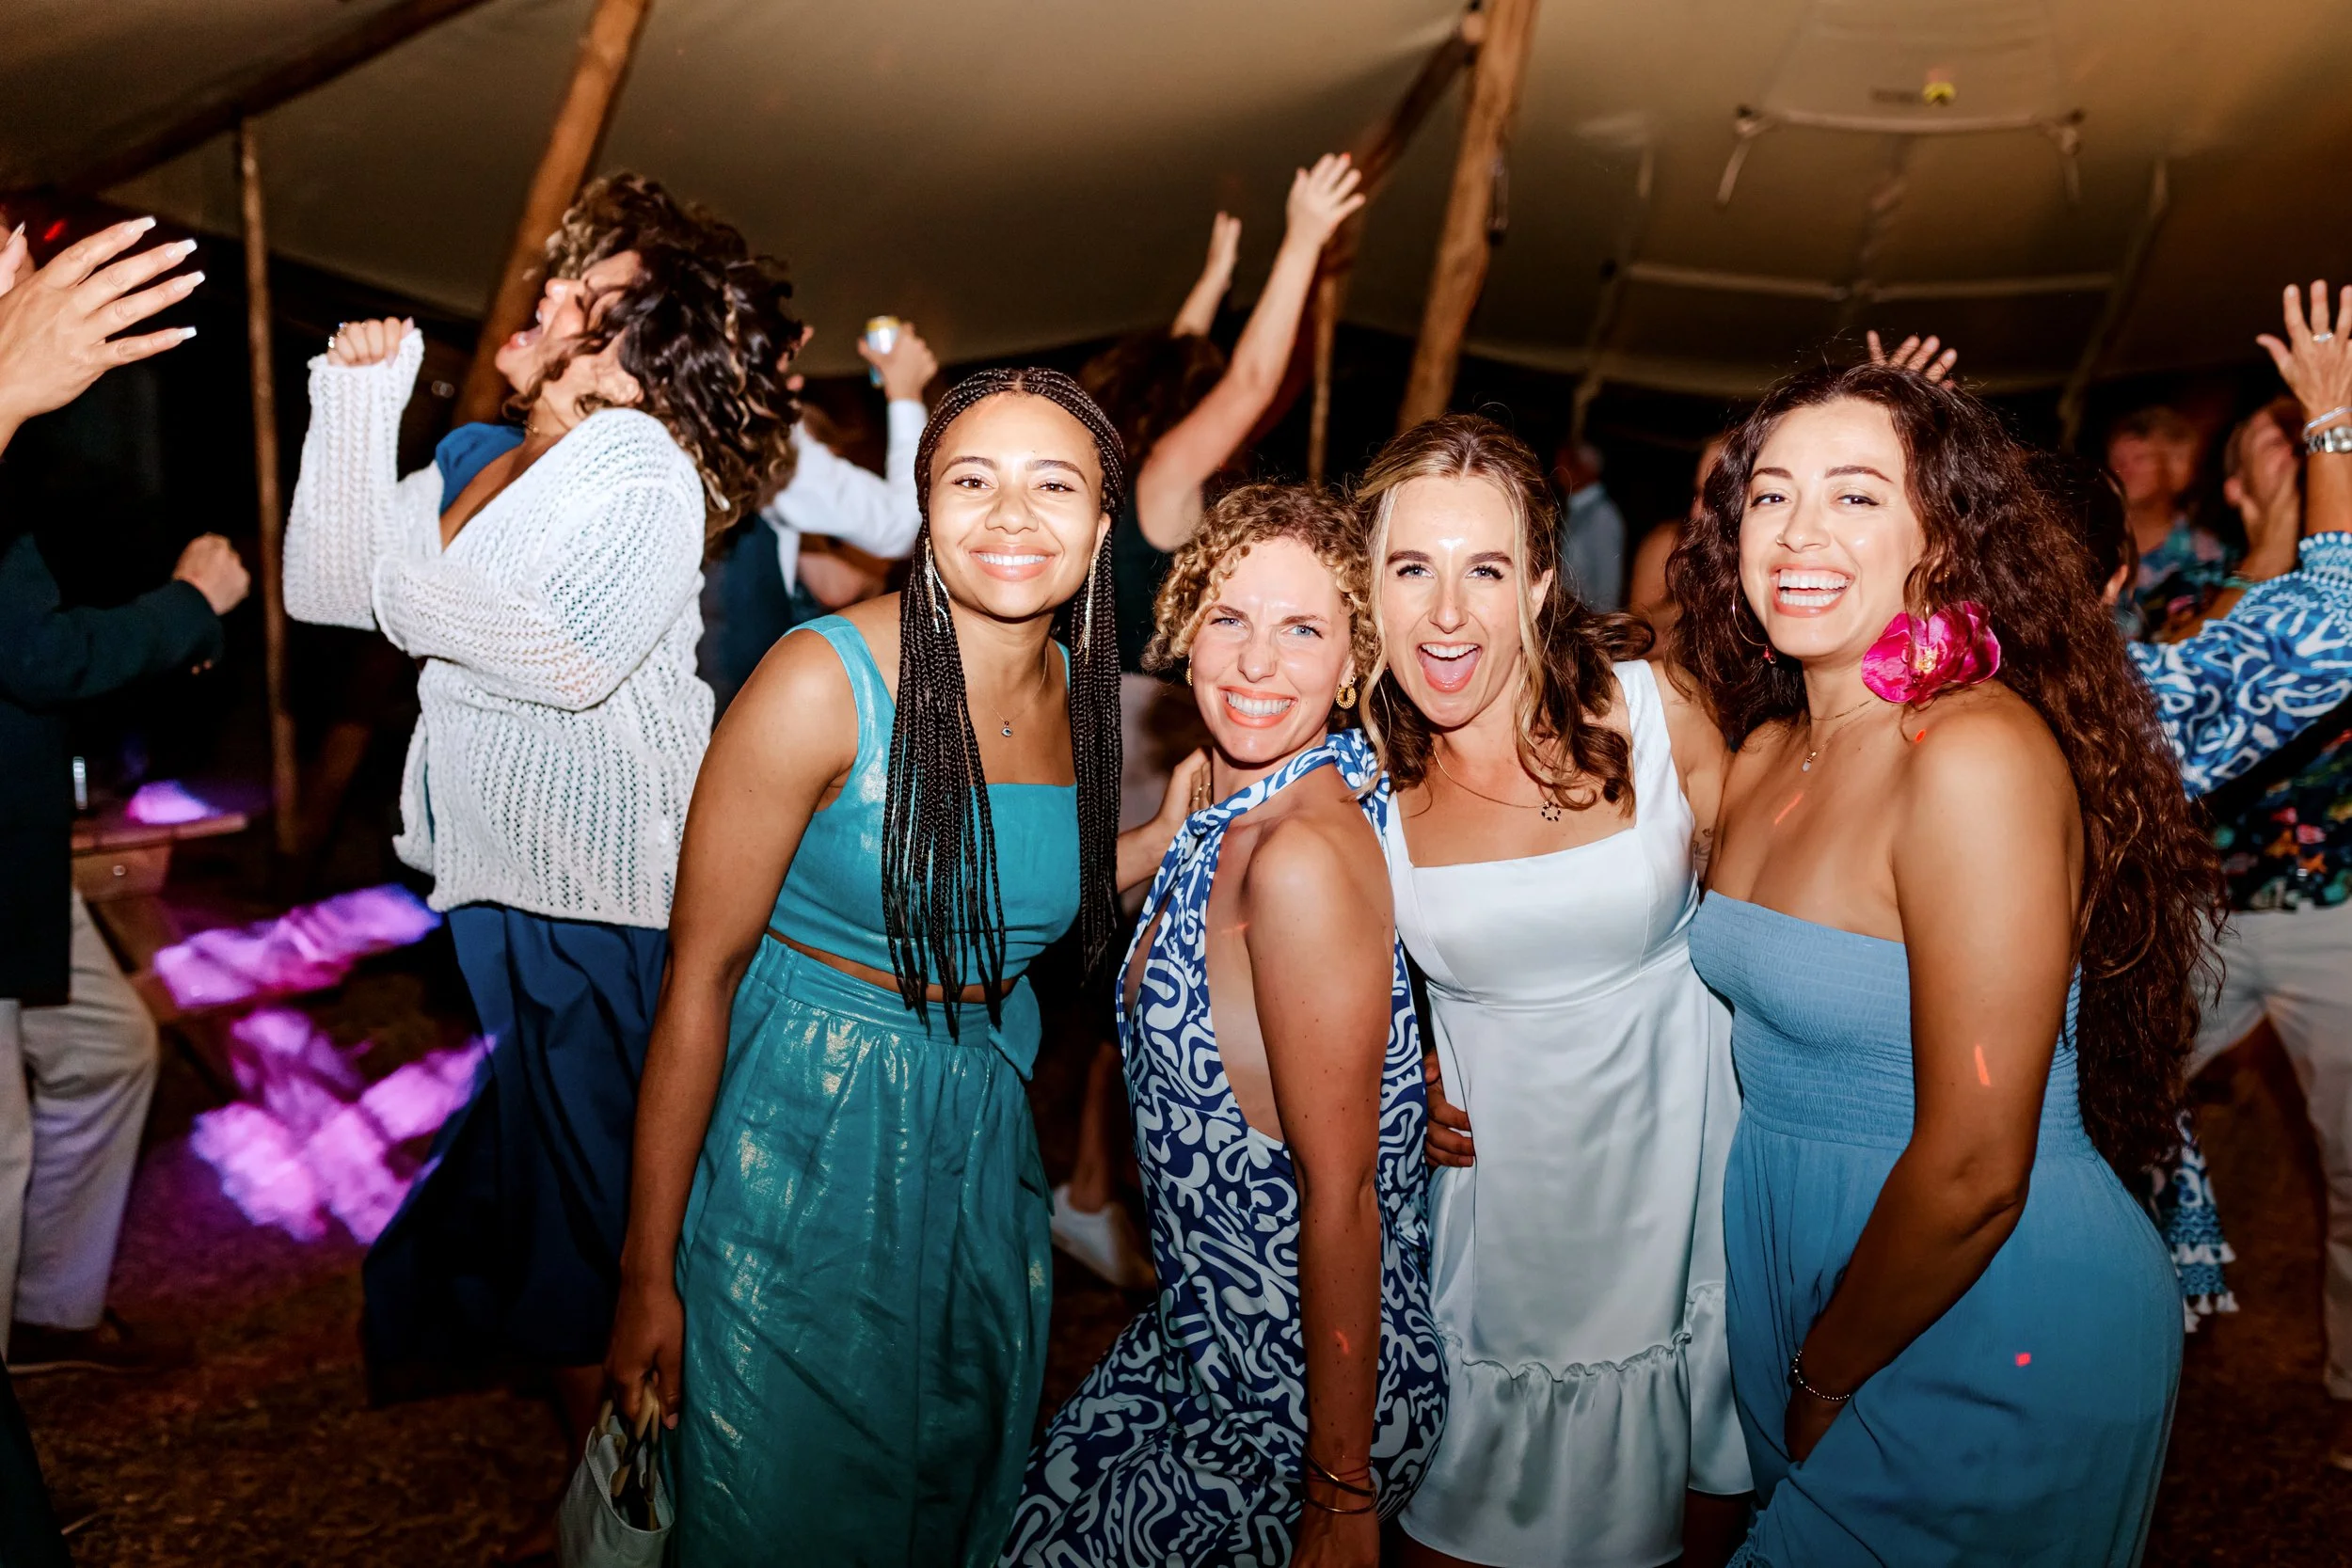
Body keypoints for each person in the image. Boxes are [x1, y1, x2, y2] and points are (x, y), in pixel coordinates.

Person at [284, 197, 799, 1558]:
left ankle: (659, 1510)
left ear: (637, 348)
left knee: (605, 1230)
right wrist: (355, 403)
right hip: (511, 899)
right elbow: (328, 584)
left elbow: (562, 652)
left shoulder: (641, 459)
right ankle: (636, 1498)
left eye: (588, 290)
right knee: (558, 1219)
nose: (551, 290)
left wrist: (408, 572)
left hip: (610, 907)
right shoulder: (479, 455)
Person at [607, 369, 1174, 1566]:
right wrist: (645, 1271)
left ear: (1104, 525)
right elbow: (699, 978)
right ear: (926, 507)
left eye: (1053, 484)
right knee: (775, 1499)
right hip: (793, 1139)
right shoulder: (820, 681)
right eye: (973, 480)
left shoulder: (1077, 693)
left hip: (973, 1151)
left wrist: (1172, 832)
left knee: (941, 1482)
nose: (1011, 516)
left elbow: (1010, 893)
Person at [1673, 362, 2214, 1563]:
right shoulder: (1765, 750)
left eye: (1858, 496)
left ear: (1943, 534)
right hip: (1800, 1273)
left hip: (1981, 1308)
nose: (1801, 532)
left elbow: (1974, 1164)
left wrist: (1827, 1366)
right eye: (1771, 496)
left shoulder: (1967, 753)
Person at [1003, 483, 1445, 1567]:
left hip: (1291, 1400)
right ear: (1187, 627)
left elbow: (1340, 1196)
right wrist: (1158, 830)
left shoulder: (1299, 853)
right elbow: (1021, 925)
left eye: (1303, 629)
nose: (1256, 663)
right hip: (1196, 1347)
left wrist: (1338, 1490)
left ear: (1354, 662)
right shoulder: (1236, 806)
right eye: (1230, 618)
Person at [1351, 416, 1749, 1568]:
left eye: (1483, 569)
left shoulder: (1657, 708)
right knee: (1471, 1520)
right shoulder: (1354, 775)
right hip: (1509, 1213)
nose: (1445, 612)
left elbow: (1774, 917)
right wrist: (1395, 1069)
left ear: (1537, 582)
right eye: (1410, 567)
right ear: (1365, 584)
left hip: (1690, 1175)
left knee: (1704, 1497)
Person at [1052, 154, 1366, 1290]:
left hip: (1109, 726)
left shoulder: (1114, 475)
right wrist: (1296, 243)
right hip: (1149, 740)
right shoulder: (1161, 484)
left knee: (1125, 977)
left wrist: (1213, 274)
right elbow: (1241, 387)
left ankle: (1092, 1189)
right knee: (1142, 973)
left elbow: (1185, 371)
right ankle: (1130, 1188)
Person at [0, 214, 219, 1563]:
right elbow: (35, 650)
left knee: (111, 1042)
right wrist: (193, 604)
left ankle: (51, 1310)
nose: (23, 253)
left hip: (17, 848)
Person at [421, 174, 937, 707]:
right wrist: (903, 392)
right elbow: (900, 526)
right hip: (721, 712)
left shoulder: (650, 445)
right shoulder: (724, 441)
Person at [2176, 284, 2352, 1471]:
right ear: (2237, 484)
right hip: (2197, 919)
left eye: (2311, 433)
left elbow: (2333, 627)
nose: (2296, 444)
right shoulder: (2193, 593)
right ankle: (2132, 1339)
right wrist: (2277, 543)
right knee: (2092, 1111)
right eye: (2271, 438)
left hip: (2337, 915)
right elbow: (2195, 683)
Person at [2107, 402, 2226, 639]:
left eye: (2139, 458)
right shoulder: (2091, 547)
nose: (2123, 470)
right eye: (2117, 460)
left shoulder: (2204, 555)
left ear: (2175, 468)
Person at [1552, 437, 1629, 610]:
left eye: (1564, 465)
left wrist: (1602, 631)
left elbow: (1609, 585)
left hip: (1588, 625)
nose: (1558, 472)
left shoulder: (1603, 516)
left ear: (1583, 468)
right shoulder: (1573, 511)